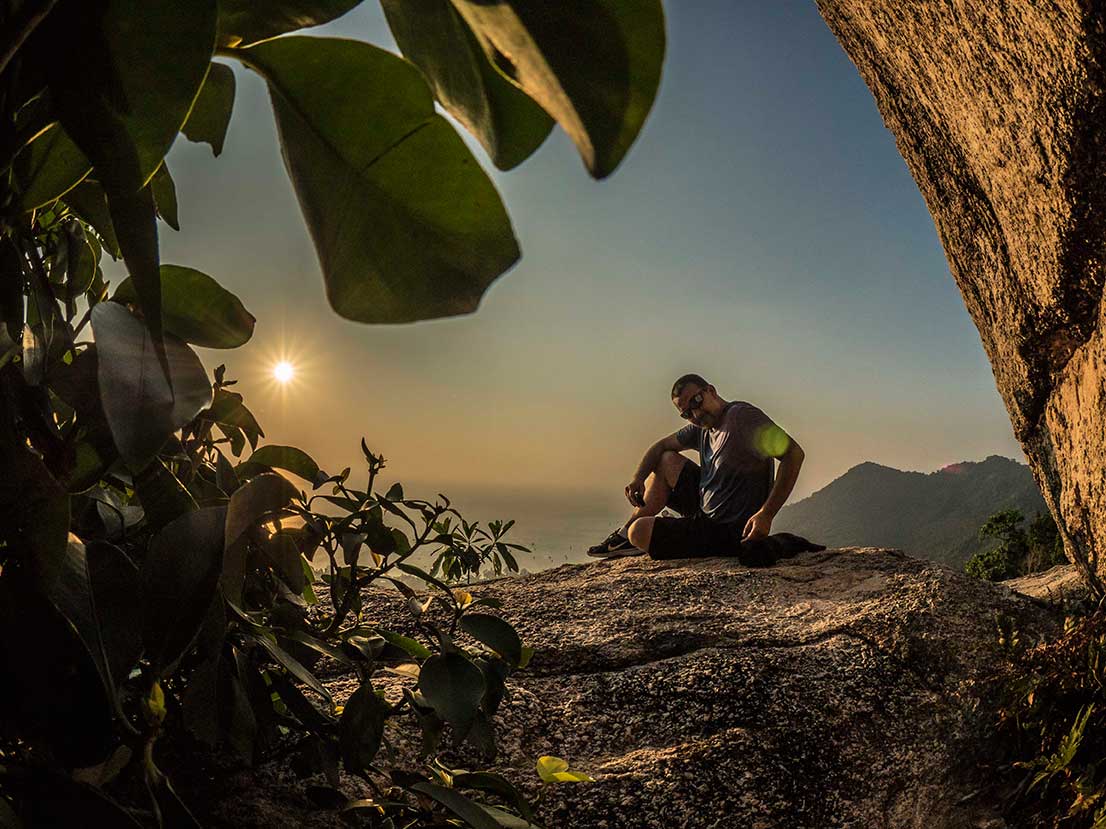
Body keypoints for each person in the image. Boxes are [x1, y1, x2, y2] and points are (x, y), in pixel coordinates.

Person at [587, 373, 808, 562]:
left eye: (697, 401)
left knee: (641, 531)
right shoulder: (702, 428)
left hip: (728, 529)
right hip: (706, 509)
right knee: (666, 459)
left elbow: (793, 454)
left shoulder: (742, 418)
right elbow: (660, 446)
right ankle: (624, 536)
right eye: (686, 413)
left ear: (711, 390)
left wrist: (766, 514)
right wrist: (638, 479)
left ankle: (636, 534)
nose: (696, 413)